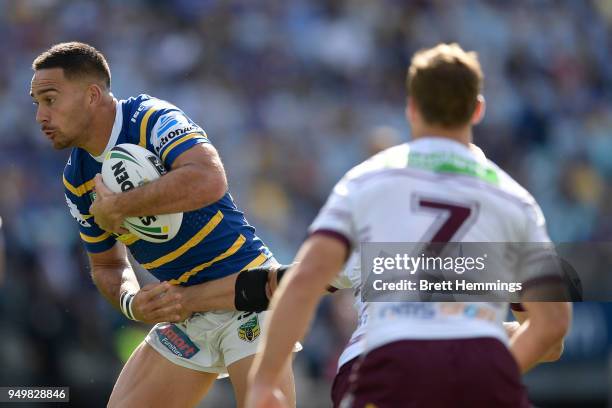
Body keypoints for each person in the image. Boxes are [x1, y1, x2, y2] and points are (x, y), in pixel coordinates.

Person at [246, 43, 572, 408]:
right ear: (477, 110)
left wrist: (264, 382)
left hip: (386, 363)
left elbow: (306, 279)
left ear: (412, 108)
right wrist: (488, 370)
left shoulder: (367, 180)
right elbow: (553, 324)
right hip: (483, 370)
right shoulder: (514, 199)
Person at [30, 41, 294, 408]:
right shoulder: (77, 178)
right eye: (37, 103)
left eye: (50, 99)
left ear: (92, 94)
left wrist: (119, 207)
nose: (41, 115)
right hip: (184, 311)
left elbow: (209, 179)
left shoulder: (148, 118)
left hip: (246, 292)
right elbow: (108, 265)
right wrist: (132, 302)